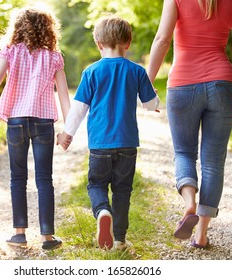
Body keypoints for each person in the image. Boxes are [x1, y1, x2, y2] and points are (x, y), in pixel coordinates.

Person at [0, 8, 70, 250]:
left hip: (17, 121)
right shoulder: (54, 56)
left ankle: (19, 234)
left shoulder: (10, 51)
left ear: (18, 28)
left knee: (17, 177)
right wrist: (67, 130)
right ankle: (48, 237)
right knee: (44, 179)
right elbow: (63, 95)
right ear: (48, 29)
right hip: (43, 122)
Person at [147, 0, 232, 248]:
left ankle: (189, 202)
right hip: (223, 85)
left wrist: (147, 82)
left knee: (184, 152)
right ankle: (201, 234)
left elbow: (162, 39)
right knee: (213, 161)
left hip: (183, 85)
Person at [57, 15, 160, 250]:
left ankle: (103, 210)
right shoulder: (137, 71)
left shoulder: (91, 72)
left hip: (100, 145)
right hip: (127, 144)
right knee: (123, 189)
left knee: (96, 184)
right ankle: (120, 239)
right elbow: (150, 104)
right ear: (128, 42)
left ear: (98, 43)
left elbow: (79, 109)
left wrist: (67, 134)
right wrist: (155, 101)